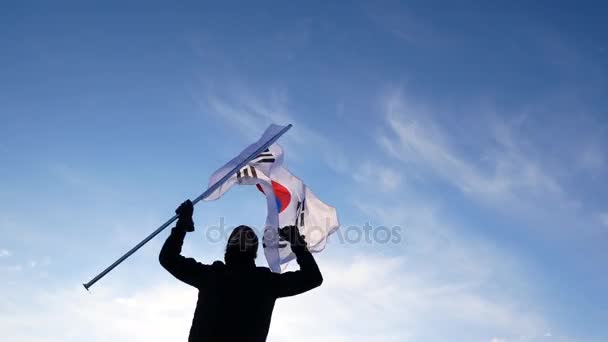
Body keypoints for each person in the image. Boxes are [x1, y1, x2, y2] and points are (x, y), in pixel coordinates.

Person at [159, 200, 323, 342]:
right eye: (238, 235)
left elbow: (313, 278)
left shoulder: (263, 281)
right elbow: (168, 258)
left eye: (248, 236)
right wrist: (181, 225)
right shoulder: (213, 274)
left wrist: (298, 244)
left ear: (254, 249)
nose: (242, 236)